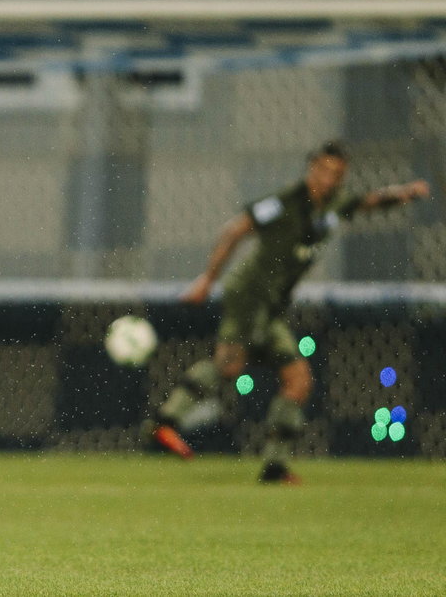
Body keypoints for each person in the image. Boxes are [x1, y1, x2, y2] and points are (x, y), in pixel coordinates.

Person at [147, 141, 429, 483]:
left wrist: (406, 193)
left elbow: (369, 202)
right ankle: (165, 423)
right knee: (237, 365)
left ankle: (273, 467)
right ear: (311, 169)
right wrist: (208, 280)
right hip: (250, 295)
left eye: (336, 174)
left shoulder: (335, 204)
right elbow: (235, 230)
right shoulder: (284, 202)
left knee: (294, 381)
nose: (329, 179)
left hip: (271, 306)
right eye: (323, 171)